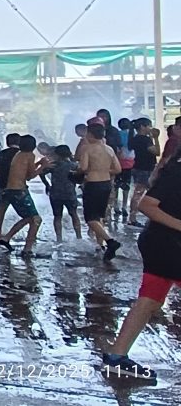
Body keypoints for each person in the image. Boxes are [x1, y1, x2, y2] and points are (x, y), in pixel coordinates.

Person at [102, 142, 181, 380]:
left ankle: (117, 357)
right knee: (149, 301)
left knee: (149, 301)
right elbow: (146, 205)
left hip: (162, 243)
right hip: (167, 245)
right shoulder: (178, 171)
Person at [78, 122, 122, 260]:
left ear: (90, 134)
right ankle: (100, 244)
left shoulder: (87, 149)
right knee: (98, 216)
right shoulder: (109, 149)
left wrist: (76, 171)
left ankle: (110, 241)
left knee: (90, 218)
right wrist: (103, 169)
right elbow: (118, 169)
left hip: (93, 184)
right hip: (106, 184)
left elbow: (84, 167)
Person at [0, 135, 44, 258]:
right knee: (36, 219)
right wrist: (43, 166)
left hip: (10, 190)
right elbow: (30, 176)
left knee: (29, 218)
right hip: (19, 191)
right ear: (33, 146)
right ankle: (27, 249)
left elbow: (24, 171)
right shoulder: (30, 155)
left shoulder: (18, 155)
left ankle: (6, 238)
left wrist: (38, 163)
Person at [39, 145, 83, 241]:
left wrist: (47, 185)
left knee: (57, 216)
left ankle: (59, 238)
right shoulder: (74, 165)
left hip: (55, 194)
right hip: (70, 193)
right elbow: (81, 176)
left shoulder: (53, 165)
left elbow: (41, 173)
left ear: (57, 154)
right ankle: (79, 236)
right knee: (74, 214)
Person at [127, 118, 159, 227]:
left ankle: (132, 217)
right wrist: (156, 138)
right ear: (142, 127)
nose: (150, 128)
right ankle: (138, 218)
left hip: (137, 167)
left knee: (137, 193)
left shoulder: (134, 138)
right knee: (149, 193)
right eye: (149, 126)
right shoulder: (145, 140)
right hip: (146, 169)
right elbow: (157, 152)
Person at [0, 133, 21, 238]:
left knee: (2, 206)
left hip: (2, 184)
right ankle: (27, 232)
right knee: (27, 211)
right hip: (18, 185)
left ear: (7, 142)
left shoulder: (2, 153)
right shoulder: (21, 154)